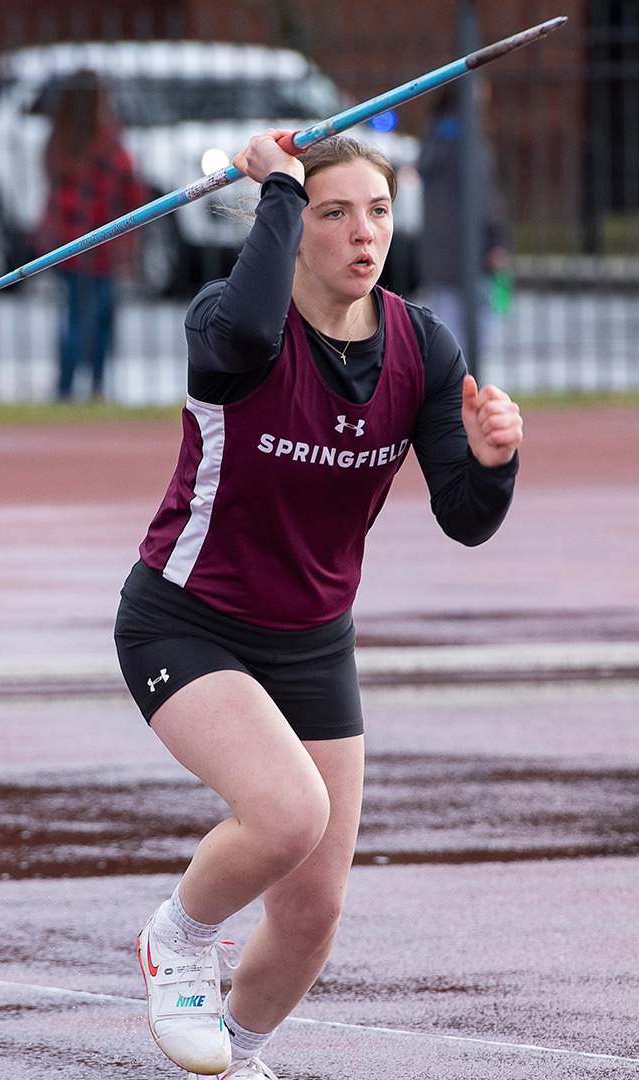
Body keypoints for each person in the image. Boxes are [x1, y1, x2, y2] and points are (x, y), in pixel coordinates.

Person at [113, 130, 522, 1079]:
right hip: (187, 619)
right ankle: (177, 940)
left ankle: (238, 1059)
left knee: (313, 909)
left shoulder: (421, 344)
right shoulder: (229, 323)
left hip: (312, 641)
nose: (361, 235)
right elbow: (253, 330)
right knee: (287, 811)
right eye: (333, 214)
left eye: (376, 212)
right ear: (291, 227)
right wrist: (281, 189)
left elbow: (464, 519)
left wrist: (496, 462)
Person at [36, 70, 149, 401]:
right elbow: (129, 185)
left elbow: (55, 192)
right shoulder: (107, 139)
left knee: (73, 317)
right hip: (102, 244)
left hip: (68, 243)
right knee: (100, 320)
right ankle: (97, 386)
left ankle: (66, 387)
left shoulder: (60, 138)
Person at [417, 80, 510, 352]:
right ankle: (465, 390)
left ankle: (454, 389)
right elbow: (484, 200)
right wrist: (496, 242)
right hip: (471, 250)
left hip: (439, 254)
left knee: (446, 336)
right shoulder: (468, 142)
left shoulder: (435, 136)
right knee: (474, 338)